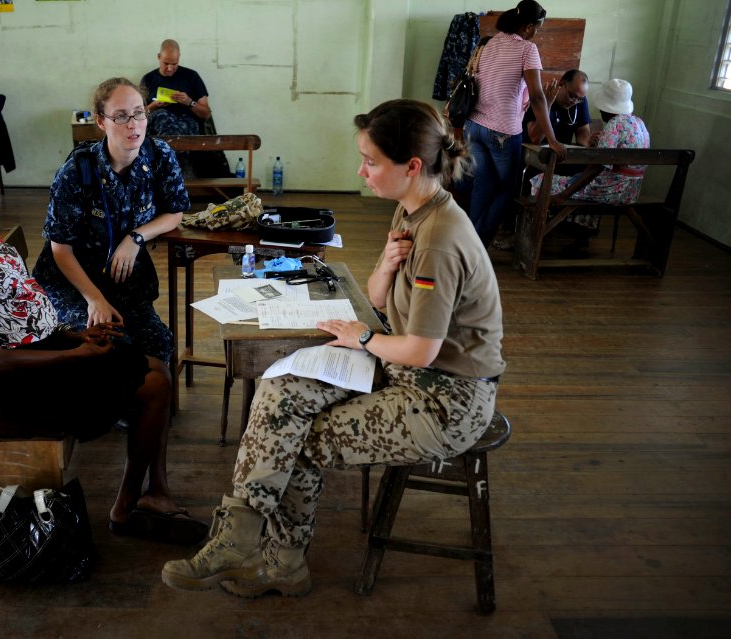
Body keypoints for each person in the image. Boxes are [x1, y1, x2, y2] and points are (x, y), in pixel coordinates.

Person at [161, 99, 505, 598]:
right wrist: (386, 266)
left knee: (304, 439)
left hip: (445, 400)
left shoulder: (440, 238)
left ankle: (282, 562)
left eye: (370, 161)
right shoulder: (414, 209)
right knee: (282, 386)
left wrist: (362, 337)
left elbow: (422, 351)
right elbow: (381, 297)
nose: (360, 170)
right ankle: (238, 532)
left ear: (411, 166)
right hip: (406, 369)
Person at [0, 144, 207, 545]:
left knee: (157, 367)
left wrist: (78, 336)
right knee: (154, 386)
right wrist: (78, 353)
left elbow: (26, 319)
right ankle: (126, 506)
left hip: (48, 353)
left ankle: (146, 496)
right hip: (19, 381)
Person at [33, 78, 189, 365]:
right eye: (120, 116)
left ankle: (144, 408)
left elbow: (175, 211)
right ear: (101, 122)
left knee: (159, 346)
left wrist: (136, 237)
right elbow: (60, 249)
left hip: (124, 283)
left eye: (139, 112)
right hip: (74, 285)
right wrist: (94, 298)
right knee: (109, 348)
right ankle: (108, 409)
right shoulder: (76, 171)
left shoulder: (159, 156)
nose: (133, 124)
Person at [464, 0, 566, 248]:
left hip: (473, 126)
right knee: (508, 188)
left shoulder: (487, 43)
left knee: (483, 184)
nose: (536, 33)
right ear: (529, 27)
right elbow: (538, 95)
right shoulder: (527, 49)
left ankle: (467, 245)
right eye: (537, 28)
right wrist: (552, 140)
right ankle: (477, 245)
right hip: (502, 131)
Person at [530, 78, 650, 250]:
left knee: (541, 180)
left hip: (610, 191)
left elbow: (596, 167)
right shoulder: (639, 124)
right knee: (580, 180)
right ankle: (580, 237)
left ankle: (535, 236)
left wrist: (564, 195)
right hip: (631, 191)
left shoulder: (614, 125)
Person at [140, 39, 211, 137]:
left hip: (186, 125)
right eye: (166, 63)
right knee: (162, 115)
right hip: (159, 124)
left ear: (179, 58)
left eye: (174, 64)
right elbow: (137, 115)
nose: (170, 68)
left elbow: (206, 114)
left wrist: (189, 102)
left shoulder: (191, 76)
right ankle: (171, 149)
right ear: (159, 57)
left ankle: (168, 150)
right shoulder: (148, 79)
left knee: (181, 124)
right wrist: (153, 106)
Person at [524, 69, 594, 146]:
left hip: (562, 153)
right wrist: (547, 104)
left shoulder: (580, 100)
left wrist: (587, 140)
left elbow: (582, 129)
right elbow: (535, 138)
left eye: (579, 99)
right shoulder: (542, 97)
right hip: (535, 152)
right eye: (571, 96)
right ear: (561, 84)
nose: (574, 102)